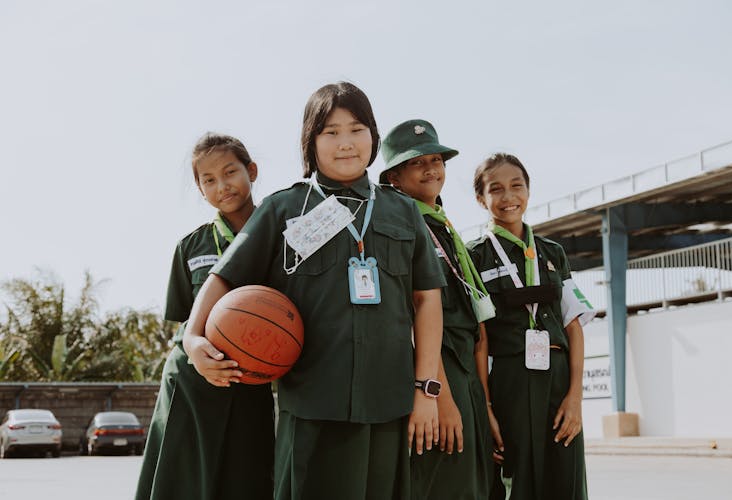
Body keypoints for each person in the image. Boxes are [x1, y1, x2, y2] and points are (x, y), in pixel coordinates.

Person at [181, 82, 446, 500]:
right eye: (331, 132)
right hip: (312, 409)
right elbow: (224, 277)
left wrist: (426, 389)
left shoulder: (402, 210)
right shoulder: (285, 209)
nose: (346, 143)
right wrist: (192, 337)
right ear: (311, 141)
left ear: (373, 135)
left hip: (389, 406)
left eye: (357, 129)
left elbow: (427, 299)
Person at [135, 133, 274, 500]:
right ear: (200, 189)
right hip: (192, 383)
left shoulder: (282, 239)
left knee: (247, 482)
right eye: (208, 180)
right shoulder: (191, 246)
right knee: (180, 484)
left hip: (251, 384)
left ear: (252, 171)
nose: (222, 185)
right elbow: (183, 319)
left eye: (230, 172)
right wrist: (196, 351)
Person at [466, 153, 595, 500]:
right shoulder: (473, 256)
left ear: (528, 190)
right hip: (509, 378)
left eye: (516, 186)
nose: (509, 197)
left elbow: (573, 325)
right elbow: (478, 339)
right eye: (496, 189)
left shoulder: (553, 252)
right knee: (517, 479)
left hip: (558, 378)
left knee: (564, 479)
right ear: (481, 199)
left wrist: (575, 397)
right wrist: (487, 409)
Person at [379, 119, 494, 499]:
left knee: (474, 482)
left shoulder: (442, 224)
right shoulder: (400, 225)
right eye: (417, 162)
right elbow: (413, 315)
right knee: (445, 479)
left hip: (465, 369)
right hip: (437, 369)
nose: (432, 168)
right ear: (394, 176)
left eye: (436, 159)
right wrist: (439, 396)